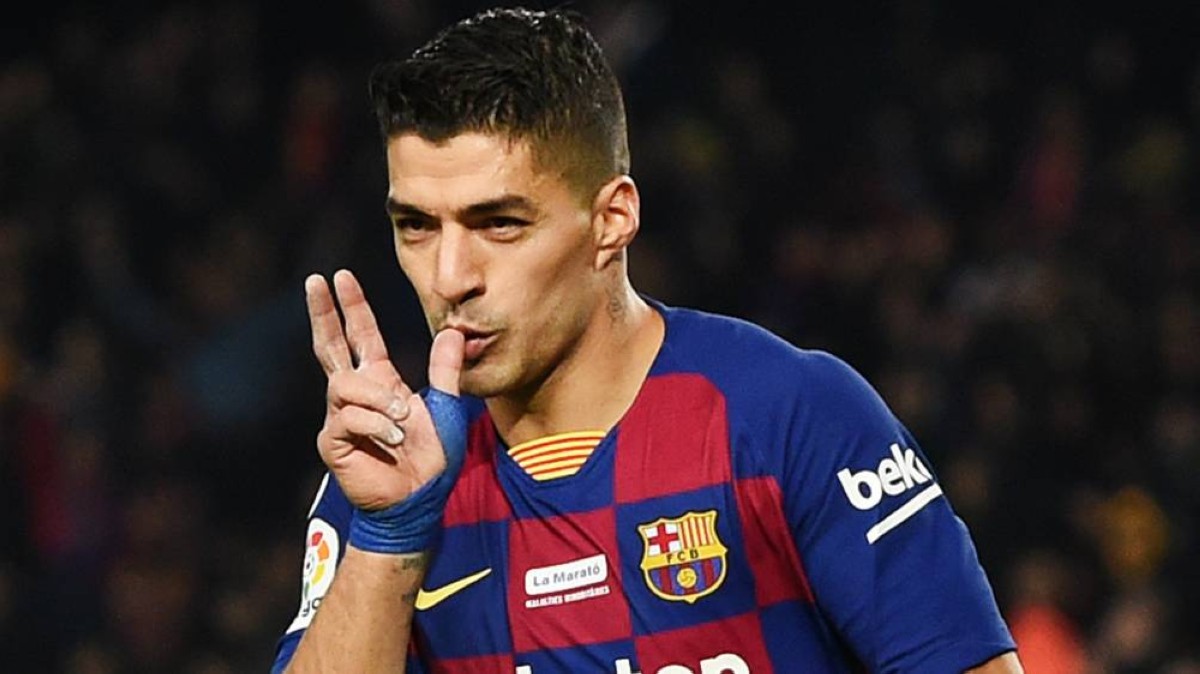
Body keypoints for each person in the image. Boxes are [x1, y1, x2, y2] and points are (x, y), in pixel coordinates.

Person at [272, 7, 1024, 673]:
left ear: (612, 220)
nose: (450, 276)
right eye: (416, 226)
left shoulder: (785, 417)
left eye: (499, 223)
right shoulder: (389, 474)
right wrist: (390, 539)